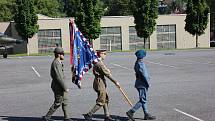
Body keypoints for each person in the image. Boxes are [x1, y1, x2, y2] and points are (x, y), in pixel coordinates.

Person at [83, 49, 120, 121]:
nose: (105, 55)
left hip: (99, 81)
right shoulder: (99, 63)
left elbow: (104, 71)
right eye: (104, 53)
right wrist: (115, 82)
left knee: (105, 99)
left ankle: (107, 116)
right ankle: (89, 114)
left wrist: (107, 71)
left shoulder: (98, 62)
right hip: (100, 82)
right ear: (100, 54)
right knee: (101, 101)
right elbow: (107, 74)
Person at [42, 47, 72, 121]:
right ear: (59, 55)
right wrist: (65, 87)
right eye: (62, 54)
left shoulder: (58, 62)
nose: (63, 56)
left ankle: (66, 117)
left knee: (65, 101)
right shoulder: (56, 63)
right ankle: (47, 117)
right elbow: (59, 77)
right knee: (58, 102)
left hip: (60, 85)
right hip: (58, 86)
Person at [126, 50, 156, 121]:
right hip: (142, 83)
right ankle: (131, 111)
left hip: (139, 82)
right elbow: (144, 75)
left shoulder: (137, 62)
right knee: (143, 100)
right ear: (143, 56)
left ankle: (146, 114)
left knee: (143, 99)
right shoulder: (141, 64)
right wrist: (148, 83)